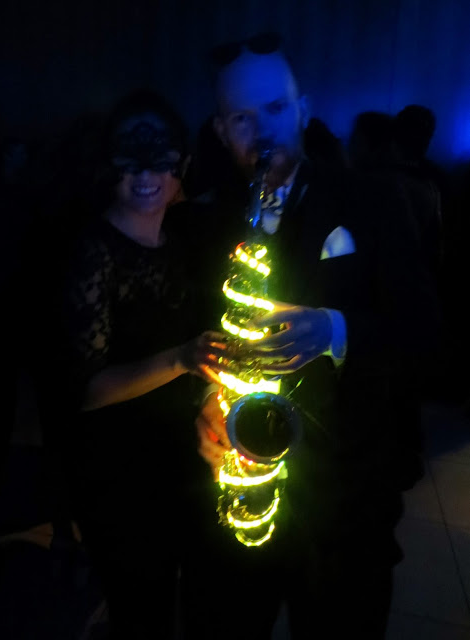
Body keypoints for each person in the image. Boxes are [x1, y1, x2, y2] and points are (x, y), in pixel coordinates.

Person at [179, 34, 441, 639]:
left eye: (275, 107)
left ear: (302, 108)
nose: (261, 130)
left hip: (347, 501)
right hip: (238, 493)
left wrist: (334, 330)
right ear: (221, 130)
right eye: (242, 118)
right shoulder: (205, 218)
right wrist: (207, 402)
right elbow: (195, 336)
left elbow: (428, 337)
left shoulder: (376, 199)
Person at [27, 88, 221, 639]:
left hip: (181, 454)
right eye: (131, 158)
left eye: (160, 158)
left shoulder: (180, 239)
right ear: (108, 163)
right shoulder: (93, 252)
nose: (146, 174)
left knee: (178, 591)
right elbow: (86, 389)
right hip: (118, 467)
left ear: (181, 164)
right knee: (141, 603)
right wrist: (180, 358)